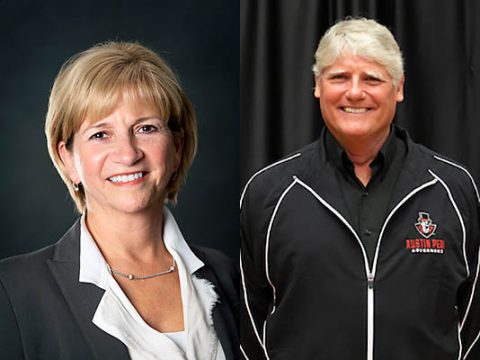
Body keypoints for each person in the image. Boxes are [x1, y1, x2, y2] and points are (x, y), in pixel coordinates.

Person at [240, 18, 480, 359]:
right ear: (317, 85)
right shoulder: (268, 193)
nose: (355, 92)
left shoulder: (453, 190)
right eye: (339, 77)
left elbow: (474, 325)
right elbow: (248, 325)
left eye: (372, 78)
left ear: (398, 88)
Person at [0, 42, 238, 359]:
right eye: (100, 134)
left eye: (146, 128)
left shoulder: (228, 275)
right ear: (67, 158)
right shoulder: (12, 290)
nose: (128, 154)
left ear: (177, 148)